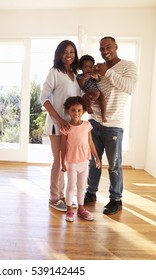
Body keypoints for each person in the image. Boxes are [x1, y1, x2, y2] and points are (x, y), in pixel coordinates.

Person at [83, 36, 137, 215]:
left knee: (114, 165)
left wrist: (108, 72)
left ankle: (116, 200)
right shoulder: (99, 68)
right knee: (93, 162)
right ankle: (91, 193)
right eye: (101, 48)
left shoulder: (128, 66)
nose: (105, 50)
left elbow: (129, 88)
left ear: (116, 47)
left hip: (113, 124)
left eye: (108, 47)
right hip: (94, 123)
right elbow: (97, 91)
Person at [40, 40, 82, 212]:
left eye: (72, 52)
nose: (69, 55)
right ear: (59, 54)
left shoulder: (75, 75)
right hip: (56, 124)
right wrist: (58, 119)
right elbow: (44, 98)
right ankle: (54, 197)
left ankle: (61, 194)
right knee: (58, 161)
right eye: (65, 52)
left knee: (66, 161)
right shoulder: (54, 72)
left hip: (70, 126)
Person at [60, 96, 101, 221]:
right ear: (68, 111)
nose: (76, 113)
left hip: (84, 161)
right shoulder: (66, 128)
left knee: (82, 186)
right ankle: (69, 210)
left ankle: (81, 209)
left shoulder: (87, 125)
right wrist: (63, 162)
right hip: (72, 162)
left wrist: (97, 157)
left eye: (79, 110)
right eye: (73, 110)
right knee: (71, 186)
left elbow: (90, 142)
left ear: (83, 111)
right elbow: (63, 146)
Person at [77, 54, 107, 122]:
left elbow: (99, 80)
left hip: (96, 92)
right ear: (81, 67)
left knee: (102, 98)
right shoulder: (80, 76)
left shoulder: (93, 74)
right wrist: (84, 78)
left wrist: (95, 77)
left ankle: (103, 116)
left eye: (90, 67)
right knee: (97, 92)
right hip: (87, 92)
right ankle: (89, 106)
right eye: (85, 67)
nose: (88, 69)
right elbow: (80, 86)